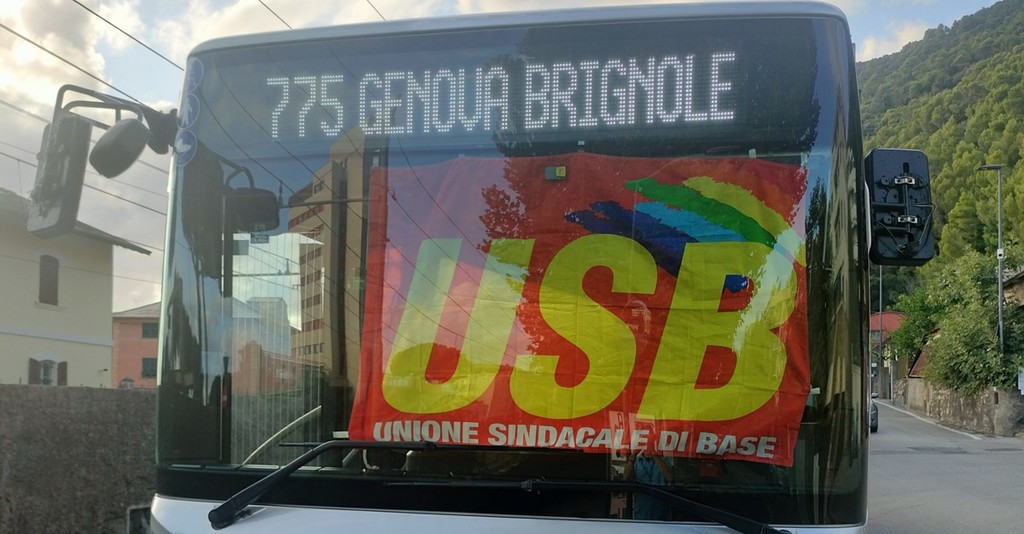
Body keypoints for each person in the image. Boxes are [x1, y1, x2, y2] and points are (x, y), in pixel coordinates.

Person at [623, 450, 674, 520]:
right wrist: (632, 458)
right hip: (641, 514)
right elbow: (626, 479)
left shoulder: (665, 460)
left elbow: (670, 477)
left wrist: (655, 456)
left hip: (661, 515)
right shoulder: (636, 461)